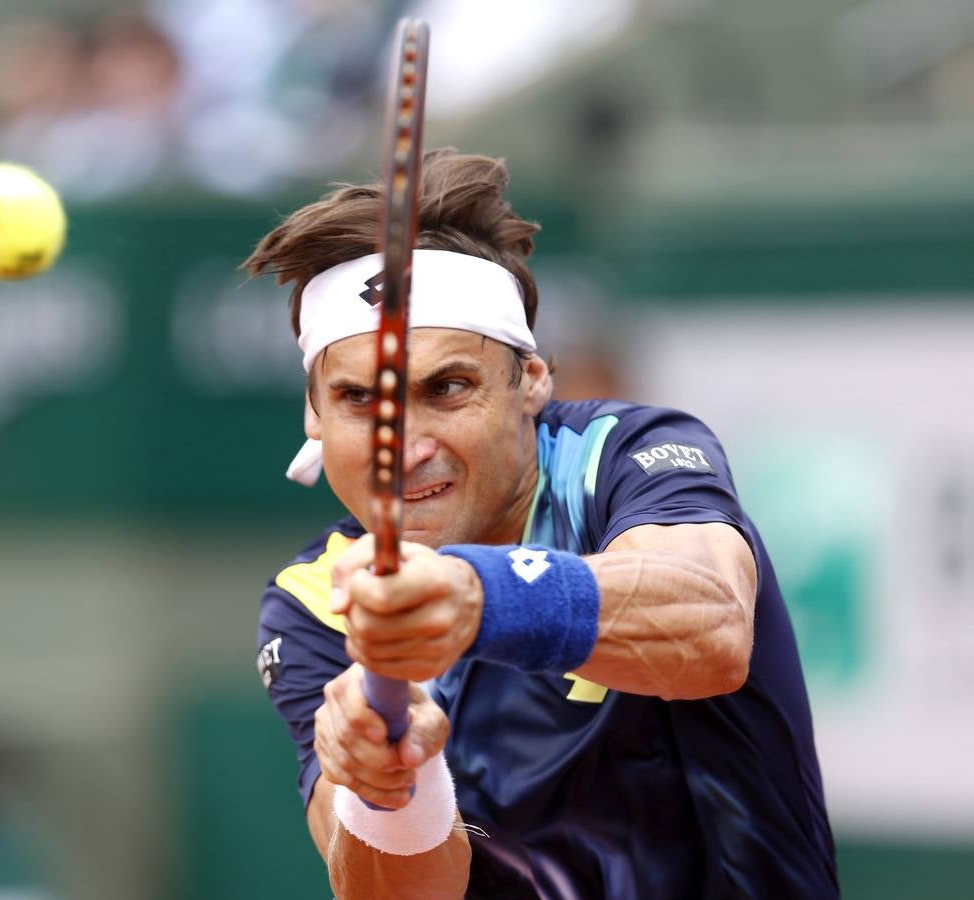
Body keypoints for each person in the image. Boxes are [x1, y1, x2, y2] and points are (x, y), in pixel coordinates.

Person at [243, 149, 838, 899]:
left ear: (529, 379)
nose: (406, 448)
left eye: (447, 388)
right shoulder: (310, 602)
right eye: (360, 401)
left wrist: (473, 600)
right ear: (314, 414)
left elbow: (710, 628)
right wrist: (390, 779)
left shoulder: (621, 454)